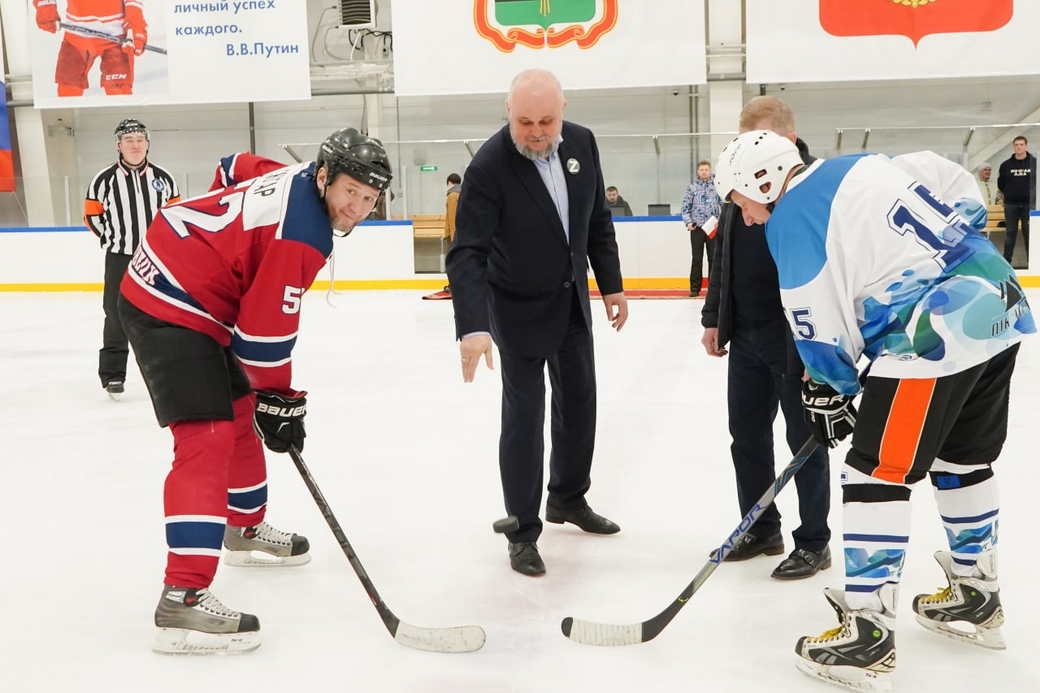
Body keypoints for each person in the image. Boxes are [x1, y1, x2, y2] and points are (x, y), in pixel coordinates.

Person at [715, 129, 1034, 691]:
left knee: (874, 474)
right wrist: (957, 252)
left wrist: (829, 387)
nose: (746, 218)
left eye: (742, 203)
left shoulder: (789, 218)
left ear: (763, 183)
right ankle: (975, 598)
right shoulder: (863, 164)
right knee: (962, 463)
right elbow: (946, 174)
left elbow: (815, 321)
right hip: (999, 302)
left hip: (933, 337)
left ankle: (867, 635)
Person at [117, 128, 393, 653]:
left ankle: (241, 528)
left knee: (241, 411)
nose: (357, 207)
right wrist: (282, 401)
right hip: (167, 302)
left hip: (191, 289)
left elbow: (233, 164)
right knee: (208, 436)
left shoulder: (293, 176)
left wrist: (217, 236)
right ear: (327, 177)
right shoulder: (303, 237)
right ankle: (183, 598)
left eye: (369, 197)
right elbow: (263, 342)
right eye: (351, 192)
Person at [446, 69, 627, 577]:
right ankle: (523, 527)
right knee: (524, 421)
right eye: (525, 121)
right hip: (517, 308)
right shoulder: (489, 166)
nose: (537, 131)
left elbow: (595, 221)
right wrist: (473, 326)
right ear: (508, 113)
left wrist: (610, 284)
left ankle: (568, 497)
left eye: (547, 120)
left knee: (580, 403)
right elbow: (466, 254)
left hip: (571, 303)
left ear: (563, 110)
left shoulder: (583, 144)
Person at [701, 98, 831, 580]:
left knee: (806, 440)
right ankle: (760, 528)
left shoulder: (812, 190)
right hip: (747, 334)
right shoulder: (743, 179)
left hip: (795, 340)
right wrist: (715, 317)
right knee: (747, 438)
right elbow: (724, 256)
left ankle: (814, 541)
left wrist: (815, 345)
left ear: (788, 144)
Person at [83, 118, 180, 399]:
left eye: (139, 140)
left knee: (163, 313)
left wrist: (163, 246)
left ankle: (167, 371)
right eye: (128, 140)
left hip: (156, 258)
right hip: (119, 257)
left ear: (147, 144)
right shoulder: (103, 179)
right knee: (115, 314)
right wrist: (112, 238)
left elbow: (175, 217)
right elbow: (92, 215)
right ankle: (113, 374)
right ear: (119, 146)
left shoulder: (164, 178)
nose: (135, 145)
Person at [33, 0, 148, 96]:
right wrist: (45, 7)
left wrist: (136, 26)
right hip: (76, 37)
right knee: (68, 90)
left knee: (119, 91)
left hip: (116, 37)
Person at [681, 161, 721, 297]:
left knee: (713, 258)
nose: (704, 172)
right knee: (697, 259)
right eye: (701, 170)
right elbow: (685, 207)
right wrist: (688, 222)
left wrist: (720, 221)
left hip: (713, 228)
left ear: (710, 171)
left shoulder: (717, 186)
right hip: (697, 228)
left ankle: (713, 289)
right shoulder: (692, 188)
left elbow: (723, 204)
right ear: (698, 172)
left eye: (706, 169)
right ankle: (694, 288)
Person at [423, 173, 462, 300]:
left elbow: (452, 217)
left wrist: (453, 237)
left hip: (453, 235)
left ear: (449, 182)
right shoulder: (462, 193)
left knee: (452, 262)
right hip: (460, 233)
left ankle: (454, 286)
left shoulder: (452, 196)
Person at [996, 135, 1035, 265]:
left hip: (1029, 205)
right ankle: (1007, 263)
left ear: (1026, 146)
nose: (1019, 147)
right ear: (1013, 147)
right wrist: (1010, 194)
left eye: (1021, 144)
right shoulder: (1006, 165)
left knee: (1029, 234)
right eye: (1016, 145)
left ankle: (1033, 264)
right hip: (1011, 205)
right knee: (1010, 234)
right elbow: (1000, 184)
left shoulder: (1034, 163)